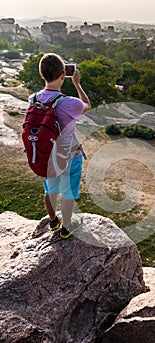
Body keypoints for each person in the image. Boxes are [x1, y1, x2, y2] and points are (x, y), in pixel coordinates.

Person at [32, 53, 91, 238]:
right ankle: (66, 228)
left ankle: (52, 220)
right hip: (69, 156)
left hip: (46, 155)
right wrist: (77, 84)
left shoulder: (33, 99)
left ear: (41, 74)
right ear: (63, 74)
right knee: (68, 192)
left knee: (50, 189)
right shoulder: (70, 103)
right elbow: (87, 105)